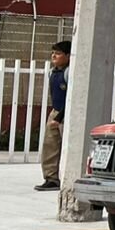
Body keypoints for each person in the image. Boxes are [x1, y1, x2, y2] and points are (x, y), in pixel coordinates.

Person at [36, 40, 71, 191]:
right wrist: (54, 115)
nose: (54, 56)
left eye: (58, 53)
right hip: (55, 111)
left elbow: (71, 96)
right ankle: (51, 178)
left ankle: (68, 177)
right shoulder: (52, 72)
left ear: (68, 56)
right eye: (53, 53)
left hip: (66, 112)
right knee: (50, 145)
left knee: (66, 146)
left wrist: (59, 118)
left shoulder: (69, 72)